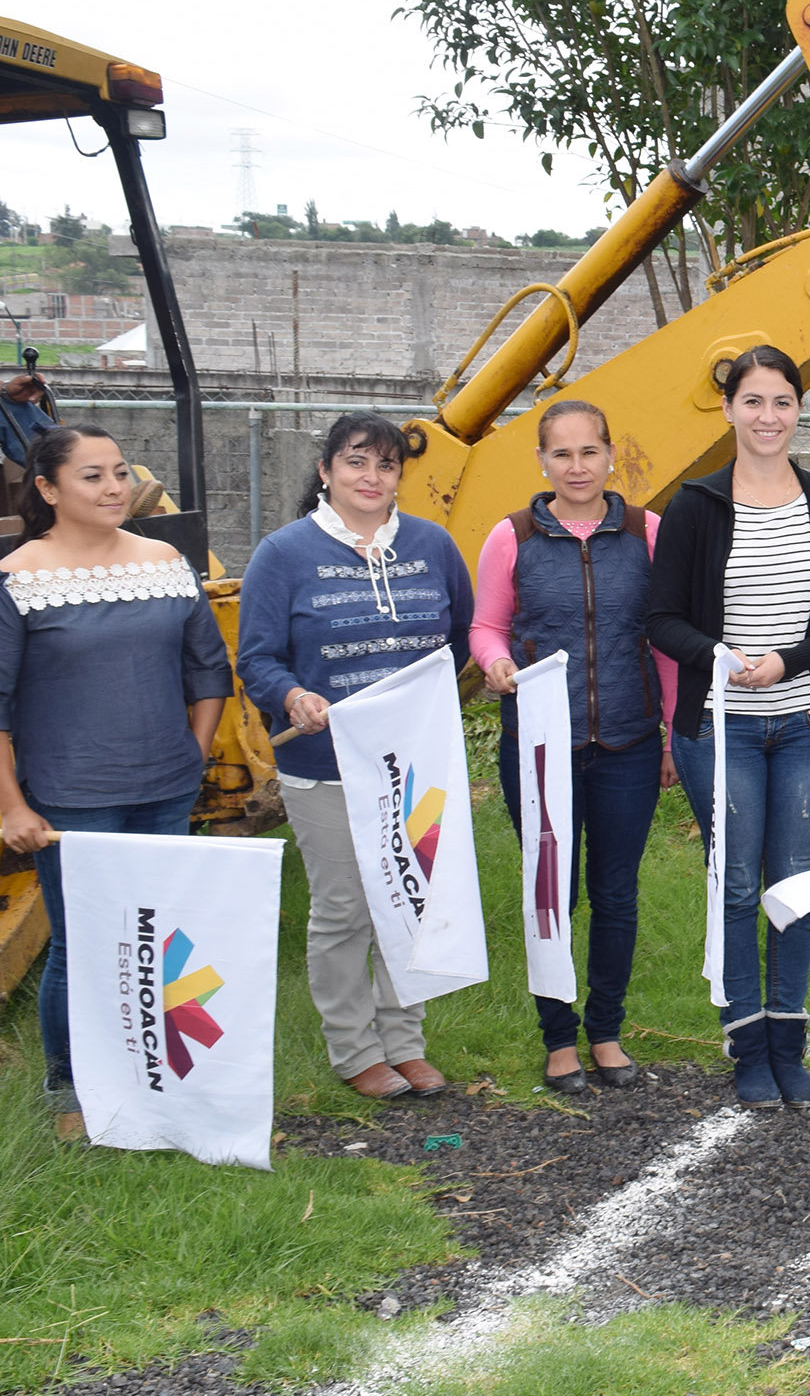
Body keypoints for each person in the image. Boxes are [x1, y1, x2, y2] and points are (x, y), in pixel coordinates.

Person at [647, 345, 810, 1111]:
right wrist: (718, 655)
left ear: (798, 411)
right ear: (729, 410)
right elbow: (661, 617)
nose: (767, 416)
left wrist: (790, 661)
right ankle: (747, 1045)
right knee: (738, 883)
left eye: (781, 402)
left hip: (808, 725)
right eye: (753, 402)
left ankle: (789, 1041)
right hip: (720, 729)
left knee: (797, 886)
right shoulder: (696, 506)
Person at [236, 412, 473, 1100]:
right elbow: (257, 658)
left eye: (387, 465)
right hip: (326, 765)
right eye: (356, 462)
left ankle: (405, 1038)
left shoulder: (433, 545)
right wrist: (292, 695)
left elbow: (456, 640)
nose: (372, 478)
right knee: (344, 907)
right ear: (325, 471)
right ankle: (353, 1046)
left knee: (410, 900)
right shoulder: (283, 554)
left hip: (416, 764)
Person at [0, 425, 230, 1131]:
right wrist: (10, 804)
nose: (113, 488)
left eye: (120, 473)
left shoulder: (165, 561)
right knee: (82, 946)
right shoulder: (19, 576)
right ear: (47, 489)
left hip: (164, 790)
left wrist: (193, 754)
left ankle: (154, 1072)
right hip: (69, 799)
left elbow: (208, 669)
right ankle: (70, 1092)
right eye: (92, 476)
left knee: (158, 936)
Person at [472, 399, 677, 1095]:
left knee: (616, 893)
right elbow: (486, 626)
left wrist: (673, 731)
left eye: (589, 451)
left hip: (627, 741)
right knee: (550, 894)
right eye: (562, 454)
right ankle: (558, 1039)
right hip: (538, 748)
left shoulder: (649, 532)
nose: (578, 466)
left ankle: (607, 1030)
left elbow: (668, 644)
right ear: (541, 462)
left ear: (611, 454)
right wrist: (494, 660)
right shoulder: (513, 535)